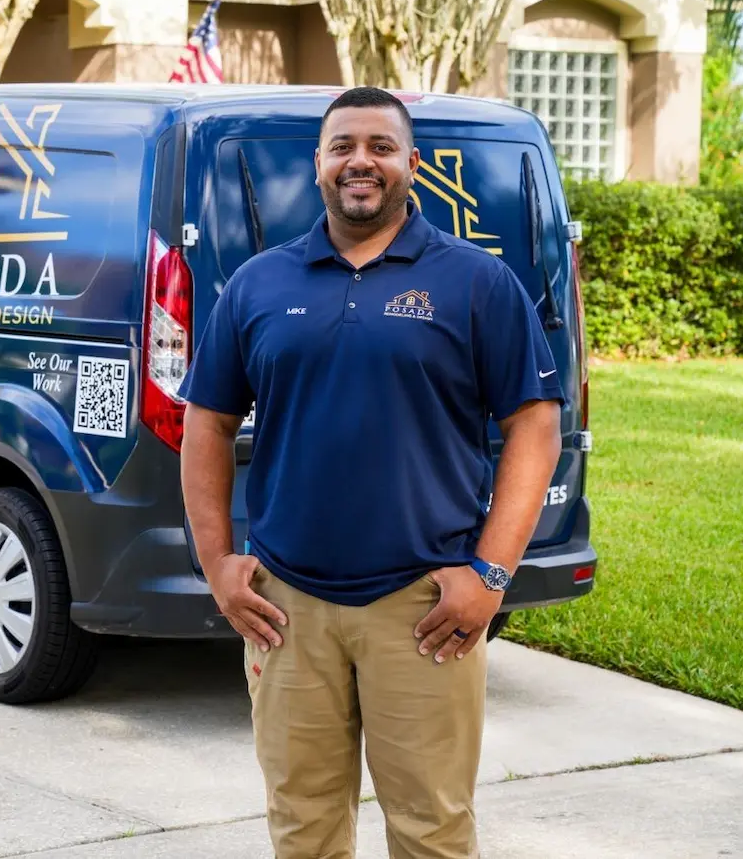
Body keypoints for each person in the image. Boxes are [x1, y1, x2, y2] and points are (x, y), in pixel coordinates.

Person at [178, 85, 564, 859]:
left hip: (422, 605)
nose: (362, 161)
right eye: (344, 146)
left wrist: (490, 574)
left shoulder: (476, 281)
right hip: (286, 606)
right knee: (303, 826)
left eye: (381, 147)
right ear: (317, 164)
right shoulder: (259, 283)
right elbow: (207, 423)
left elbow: (535, 425)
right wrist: (217, 563)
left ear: (412, 164)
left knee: (431, 829)